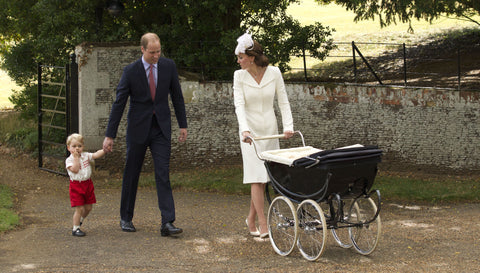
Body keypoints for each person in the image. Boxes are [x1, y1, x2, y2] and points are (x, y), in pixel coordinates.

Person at [103, 32, 188, 236]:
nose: (156, 56)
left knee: (163, 173)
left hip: (161, 129)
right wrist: (110, 135)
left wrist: (182, 125)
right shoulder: (131, 71)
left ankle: (167, 222)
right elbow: (119, 103)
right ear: (142, 50)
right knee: (131, 174)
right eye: (152, 52)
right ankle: (126, 217)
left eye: (158, 51)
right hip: (137, 130)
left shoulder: (169, 66)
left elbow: (177, 96)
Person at [233, 32, 294, 239]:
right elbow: (239, 106)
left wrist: (288, 127)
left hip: (270, 130)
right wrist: (244, 130)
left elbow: (283, 102)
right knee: (255, 177)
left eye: (241, 57)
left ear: (251, 57)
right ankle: (262, 222)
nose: (238, 61)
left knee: (263, 177)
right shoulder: (238, 76)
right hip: (250, 133)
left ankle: (250, 218)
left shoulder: (274, 72)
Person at [65, 133, 105, 237]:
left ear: (83, 147)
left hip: (87, 184)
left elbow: (95, 155)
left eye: (79, 146)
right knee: (80, 208)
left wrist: (104, 150)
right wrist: (76, 158)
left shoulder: (86, 155)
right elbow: (75, 169)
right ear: (69, 148)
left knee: (88, 207)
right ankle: (75, 228)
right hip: (76, 186)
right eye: (74, 146)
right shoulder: (69, 160)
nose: (77, 148)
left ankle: (80, 220)